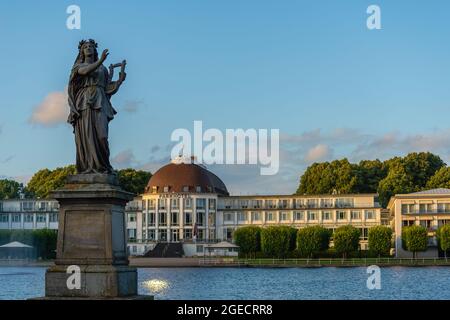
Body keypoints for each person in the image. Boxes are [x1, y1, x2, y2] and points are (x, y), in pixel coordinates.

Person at [67, 39, 126, 174]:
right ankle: (88, 167)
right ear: (81, 51)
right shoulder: (78, 66)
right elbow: (84, 71)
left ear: (95, 50)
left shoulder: (103, 69)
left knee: (102, 136)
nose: (88, 48)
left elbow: (107, 89)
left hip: (100, 101)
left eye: (91, 46)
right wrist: (100, 61)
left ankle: (103, 167)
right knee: (87, 137)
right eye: (85, 47)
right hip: (84, 102)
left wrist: (119, 81)